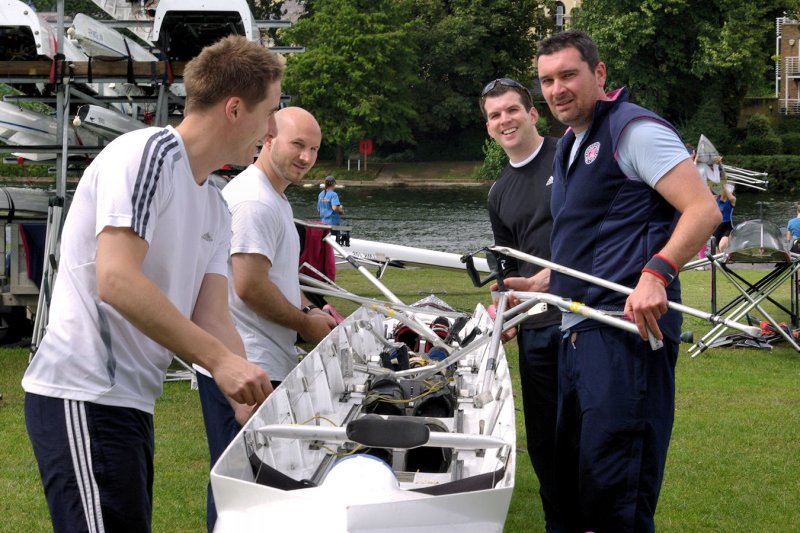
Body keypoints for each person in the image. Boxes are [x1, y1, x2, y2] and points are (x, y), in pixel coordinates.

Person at [21, 35, 278, 533]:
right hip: (81, 393)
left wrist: (250, 404)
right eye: (269, 113)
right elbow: (115, 279)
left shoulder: (214, 204)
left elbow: (211, 316)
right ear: (233, 109)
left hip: (131, 403)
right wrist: (221, 363)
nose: (270, 131)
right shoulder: (151, 154)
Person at [536, 30, 720, 532]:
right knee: (579, 485)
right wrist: (544, 280)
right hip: (579, 331)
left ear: (599, 75)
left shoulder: (634, 130)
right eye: (548, 80)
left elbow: (703, 210)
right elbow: (597, 238)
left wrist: (657, 273)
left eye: (568, 75)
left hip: (627, 336)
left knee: (617, 492)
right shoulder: (569, 146)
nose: (557, 89)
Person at [197, 106, 337, 532]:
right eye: (297, 144)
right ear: (268, 138)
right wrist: (304, 324)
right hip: (244, 363)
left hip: (259, 360)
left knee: (257, 482)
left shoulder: (271, 197)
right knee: (241, 486)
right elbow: (249, 285)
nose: (306, 157)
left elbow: (275, 276)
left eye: (313, 149)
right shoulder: (255, 200)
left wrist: (314, 309)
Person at [479, 77, 562, 531]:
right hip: (535, 330)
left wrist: (559, 274)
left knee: (591, 434)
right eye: (495, 115)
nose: (504, 120)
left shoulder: (568, 156)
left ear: (532, 114)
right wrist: (504, 311)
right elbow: (504, 267)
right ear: (489, 128)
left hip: (583, 317)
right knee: (546, 441)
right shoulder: (497, 193)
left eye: (512, 110)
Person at [713, 183, 736, 252]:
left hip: (727, 226)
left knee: (722, 245)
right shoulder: (716, 197)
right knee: (718, 253)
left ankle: (729, 253)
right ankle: (723, 261)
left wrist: (723, 185)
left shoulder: (732, 200)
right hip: (717, 227)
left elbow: (731, 197)